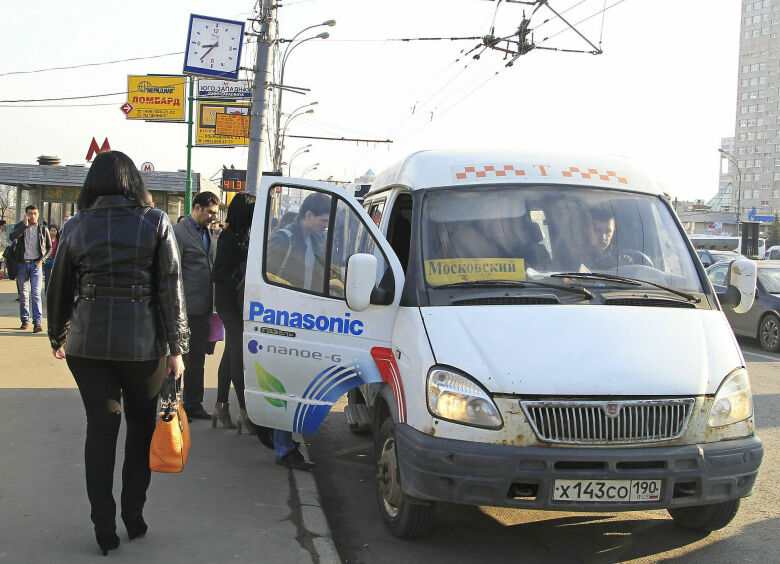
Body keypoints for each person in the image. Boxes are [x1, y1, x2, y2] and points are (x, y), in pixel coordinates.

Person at [46, 151, 189, 556]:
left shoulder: (75, 225)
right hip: (143, 346)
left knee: (100, 429)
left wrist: (58, 335)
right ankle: (133, 514)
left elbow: (57, 286)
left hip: (87, 345)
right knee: (141, 429)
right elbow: (170, 288)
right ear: (133, 182)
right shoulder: (156, 221)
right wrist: (178, 348)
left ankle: (103, 527)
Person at [265, 192, 331, 471]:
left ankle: (282, 440)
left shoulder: (314, 240)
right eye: (323, 221)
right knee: (286, 388)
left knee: (296, 387)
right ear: (308, 216)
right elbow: (267, 279)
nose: (324, 226)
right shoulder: (284, 239)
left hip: (307, 320)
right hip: (285, 321)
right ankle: (284, 449)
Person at [212, 193, 260, 432]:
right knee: (238, 357)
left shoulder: (244, 235)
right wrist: (239, 282)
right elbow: (218, 273)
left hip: (238, 301)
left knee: (231, 352)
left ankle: (221, 405)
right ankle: (243, 411)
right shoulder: (229, 237)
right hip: (230, 302)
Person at [173, 191, 220, 421]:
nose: (214, 216)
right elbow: (174, 272)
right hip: (185, 308)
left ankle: (193, 404)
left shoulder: (207, 233)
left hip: (203, 308)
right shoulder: (179, 233)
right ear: (198, 207)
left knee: (197, 359)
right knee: (180, 359)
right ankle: (175, 407)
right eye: (210, 211)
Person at [10, 204, 52, 332]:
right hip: (22, 264)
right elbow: (12, 237)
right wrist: (23, 226)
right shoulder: (20, 226)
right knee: (23, 294)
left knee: (36, 294)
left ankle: (37, 322)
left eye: (35, 213)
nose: (32, 216)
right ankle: (25, 320)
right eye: (30, 213)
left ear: (38, 214)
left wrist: (42, 260)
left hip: (36, 265)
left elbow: (49, 248)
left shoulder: (43, 229)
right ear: (26, 214)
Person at [585, 204, 618, 270]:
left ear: (613, 231)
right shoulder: (575, 257)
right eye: (597, 230)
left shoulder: (619, 259)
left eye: (608, 231)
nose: (603, 237)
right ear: (586, 230)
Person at [43, 224, 59, 292]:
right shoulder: (46, 240)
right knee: (47, 278)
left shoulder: (59, 240)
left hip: (55, 260)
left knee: (55, 278)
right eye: (51, 231)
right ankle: (47, 293)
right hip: (47, 260)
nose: (53, 232)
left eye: (54, 231)